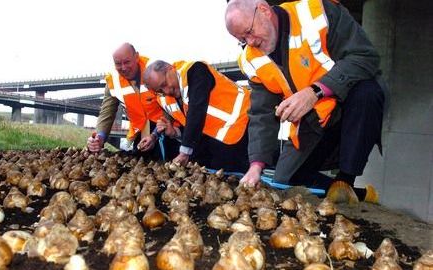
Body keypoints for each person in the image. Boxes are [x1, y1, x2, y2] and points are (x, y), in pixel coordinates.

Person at [225, 0, 384, 203]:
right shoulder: (251, 59)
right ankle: (360, 195)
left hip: (347, 107)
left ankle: (346, 179)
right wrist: (256, 165)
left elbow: (365, 57)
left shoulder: (317, 15)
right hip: (313, 121)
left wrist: (314, 92)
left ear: (264, 10)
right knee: (285, 183)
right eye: (243, 39)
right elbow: (262, 114)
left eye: (250, 31)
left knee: (367, 91)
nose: (251, 42)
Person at [143, 60, 250, 172]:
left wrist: (184, 152)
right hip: (219, 144)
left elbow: (196, 111)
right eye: (160, 91)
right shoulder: (166, 99)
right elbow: (190, 125)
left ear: (170, 68)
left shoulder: (196, 70)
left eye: (164, 84)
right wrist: (176, 133)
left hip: (243, 128)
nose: (167, 91)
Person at [87, 43, 179, 160]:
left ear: (136, 57)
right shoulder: (113, 81)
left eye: (127, 62)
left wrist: (155, 135)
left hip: (167, 130)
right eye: (118, 64)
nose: (123, 68)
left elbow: (171, 102)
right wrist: (100, 137)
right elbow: (106, 113)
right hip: (140, 133)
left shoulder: (154, 70)